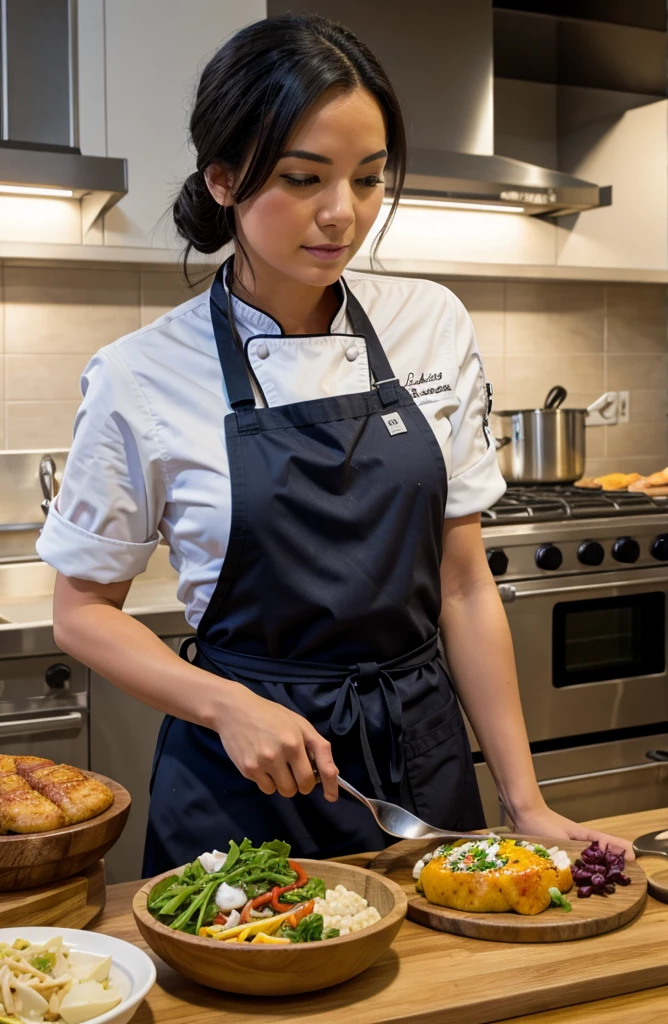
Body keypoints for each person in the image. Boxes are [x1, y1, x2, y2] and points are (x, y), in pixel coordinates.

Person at [38, 13, 633, 874]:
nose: (341, 215)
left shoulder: (430, 322)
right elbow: (82, 614)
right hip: (243, 783)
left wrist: (523, 798)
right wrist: (226, 706)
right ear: (223, 179)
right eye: (303, 177)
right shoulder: (141, 375)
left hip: (420, 762)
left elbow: (463, 586)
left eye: (367, 179)